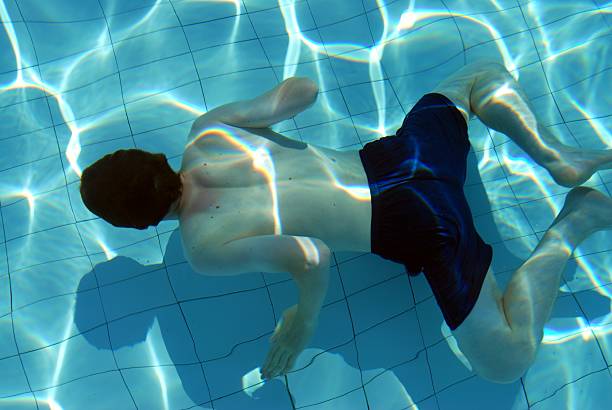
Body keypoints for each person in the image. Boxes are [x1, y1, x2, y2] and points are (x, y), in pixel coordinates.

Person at [79, 62, 612, 384]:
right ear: (148, 156)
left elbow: (312, 255)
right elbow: (305, 91)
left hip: (418, 225)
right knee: (478, 79)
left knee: (506, 359)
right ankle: (555, 154)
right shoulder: (208, 132)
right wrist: (275, 105)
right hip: (407, 157)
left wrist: (301, 321)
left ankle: (575, 224)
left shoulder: (202, 244)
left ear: (139, 227)